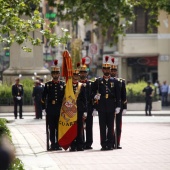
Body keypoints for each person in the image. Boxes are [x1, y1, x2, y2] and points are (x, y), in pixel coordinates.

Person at [92, 56, 121, 150]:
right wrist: (95, 100)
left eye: (108, 68)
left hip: (111, 106)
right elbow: (92, 92)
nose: (106, 70)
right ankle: (103, 144)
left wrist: (118, 106)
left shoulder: (115, 81)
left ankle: (110, 143)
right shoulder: (98, 81)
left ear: (110, 69)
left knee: (111, 126)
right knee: (102, 127)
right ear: (102, 70)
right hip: (101, 106)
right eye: (105, 68)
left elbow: (118, 95)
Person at [41, 60, 65, 151]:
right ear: (52, 74)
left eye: (57, 73)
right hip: (51, 109)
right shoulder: (48, 85)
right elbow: (43, 98)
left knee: (59, 128)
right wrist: (43, 108)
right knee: (51, 128)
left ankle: (58, 143)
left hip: (59, 109)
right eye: (54, 73)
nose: (55, 75)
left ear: (59, 74)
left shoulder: (63, 84)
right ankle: (53, 144)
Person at [69, 66, 87, 152]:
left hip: (79, 109)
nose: (76, 76)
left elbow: (84, 99)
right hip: (71, 110)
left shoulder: (81, 86)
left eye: (77, 74)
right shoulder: (68, 86)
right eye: (74, 74)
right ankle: (72, 145)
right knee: (72, 128)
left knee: (79, 128)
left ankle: (80, 145)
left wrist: (85, 111)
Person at [110, 60, 127, 149]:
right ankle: (110, 142)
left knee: (118, 126)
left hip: (118, 106)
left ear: (116, 72)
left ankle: (117, 142)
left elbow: (124, 95)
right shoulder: (107, 81)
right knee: (110, 126)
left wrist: (124, 107)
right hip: (109, 105)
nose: (113, 72)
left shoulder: (121, 81)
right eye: (111, 71)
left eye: (114, 71)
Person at [79, 58, 94, 150]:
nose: (83, 74)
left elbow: (93, 95)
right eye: (81, 72)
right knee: (80, 126)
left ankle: (88, 143)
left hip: (89, 107)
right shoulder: (77, 84)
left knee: (89, 126)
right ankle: (81, 142)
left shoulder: (90, 84)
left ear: (87, 73)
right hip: (80, 107)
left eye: (84, 72)